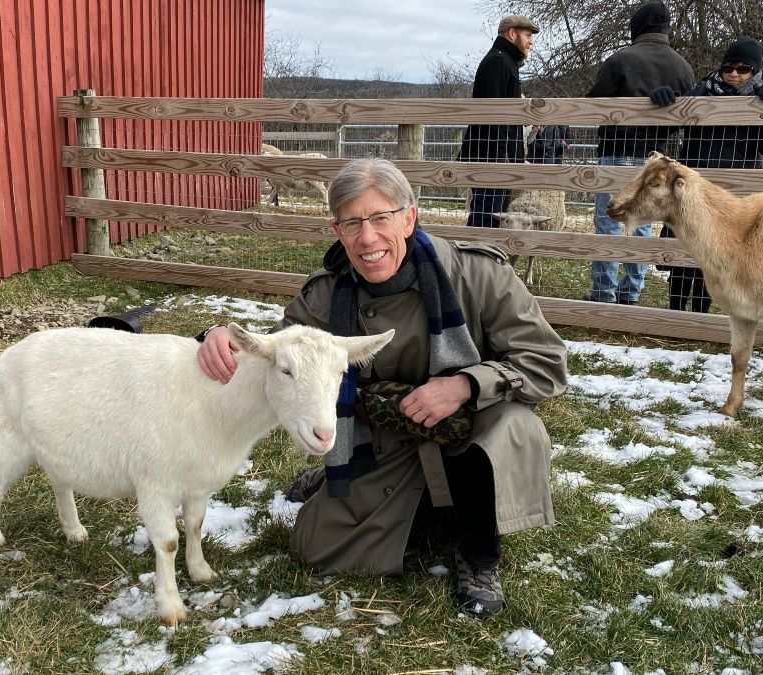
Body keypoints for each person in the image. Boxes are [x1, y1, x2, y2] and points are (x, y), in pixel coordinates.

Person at [196, 158, 567, 617]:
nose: (367, 238)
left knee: (512, 424)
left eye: (380, 218)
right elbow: (278, 350)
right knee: (315, 547)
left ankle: (479, 553)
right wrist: (221, 335)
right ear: (337, 229)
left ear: (409, 216)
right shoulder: (329, 294)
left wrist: (466, 384)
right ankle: (430, 503)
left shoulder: (478, 275)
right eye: (352, 223)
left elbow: (547, 363)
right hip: (387, 440)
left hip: (472, 427)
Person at [649, 36, 763, 312]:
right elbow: (673, 120)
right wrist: (662, 99)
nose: (733, 74)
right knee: (685, 247)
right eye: (729, 67)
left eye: (743, 69)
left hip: (734, 191)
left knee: (715, 254)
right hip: (694, 188)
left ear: (755, 71)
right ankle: (675, 312)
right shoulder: (702, 91)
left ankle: (700, 314)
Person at [584, 1, 694, 305]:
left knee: (609, 224)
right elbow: (686, 114)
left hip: (616, 150)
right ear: (665, 28)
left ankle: (603, 294)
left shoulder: (621, 59)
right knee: (642, 223)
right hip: (656, 159)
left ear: (638, 27)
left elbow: (594, 105)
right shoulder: (682, 66)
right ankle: (630, 293)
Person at [460, 15, 540, 228]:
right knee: (485, 216)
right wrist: (503, 158)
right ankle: (472, 259)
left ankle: (481, 259)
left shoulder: (505, 62)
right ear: (512, 33)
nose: (531, 41)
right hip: (490, 158)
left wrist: (515, 156)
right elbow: (492, 117)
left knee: (491, 215)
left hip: (496, 157)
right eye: (528, 35)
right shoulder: (497, 62)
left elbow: (507, 119)